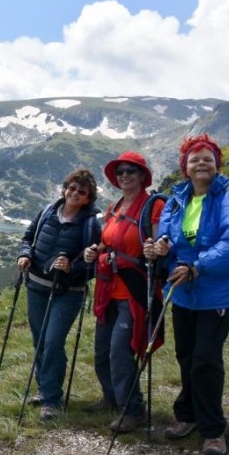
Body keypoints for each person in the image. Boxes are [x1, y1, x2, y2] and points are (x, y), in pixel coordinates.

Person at [143, 134, 229, 455]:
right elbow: (167, 235)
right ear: (185, 167)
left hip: (215, 295)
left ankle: (212, 430)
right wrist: (160, 247)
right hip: (182, 293)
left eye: (207, 157)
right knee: (186, 355)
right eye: (194, 158)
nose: (201, 162)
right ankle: (188, 414)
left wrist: (196, 267)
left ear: (217, 163)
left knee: (206, 359)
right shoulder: (178, 200)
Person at [82, 151, 165, 433]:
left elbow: (159, 247)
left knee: (120, 351)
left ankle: (133, 409)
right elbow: (109, 242)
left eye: (131, 170)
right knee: (102, 350)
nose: (125, 175)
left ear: (142, 176)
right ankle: (112, 397)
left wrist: (155, 252)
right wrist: (96, 251)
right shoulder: (114, 207)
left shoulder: (152, 207)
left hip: (134, 289)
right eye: (121, 172)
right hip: (109, 290)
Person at [17, 168, 101, 422]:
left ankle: (52, 399)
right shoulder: (46, 212)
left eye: (81, 191)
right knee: (39, 341)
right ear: (65, 188)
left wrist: (71, 268)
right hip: (36, 287)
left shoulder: (90, 224)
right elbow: (27, 238)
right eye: (72, 188)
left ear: (89, 198)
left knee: (53, 342)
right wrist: (25, 254)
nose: (74, 193)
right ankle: (45, 390)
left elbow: (94, 264)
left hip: (68, 293)